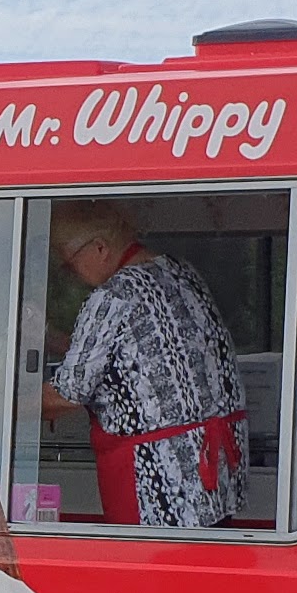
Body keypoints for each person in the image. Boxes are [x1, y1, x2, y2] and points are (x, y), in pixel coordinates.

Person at [43, 200, 249, 528]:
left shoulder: (114, 296)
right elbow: (125, 359)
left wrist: (1, 403)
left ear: (100, 248)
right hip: (213, 475)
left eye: (69, 264)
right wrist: (50, 338)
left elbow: (68, 393)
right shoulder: (179, 272)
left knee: (151, 560)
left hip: (159, 484)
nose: (70, 275)